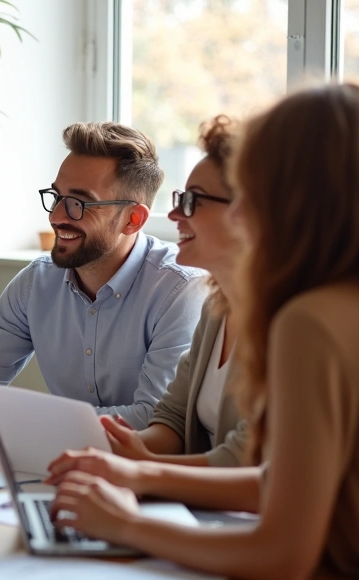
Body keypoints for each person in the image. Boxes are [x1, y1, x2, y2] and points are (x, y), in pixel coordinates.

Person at [48, 81, 359, 580]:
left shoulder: (313, 322)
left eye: (255, 188)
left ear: (296, 200)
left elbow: (282, 555)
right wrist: (134, 475)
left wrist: (126, 523)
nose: (244, 208)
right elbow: (279, 481)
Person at [0, 122, 207, 443]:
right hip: (60, 466)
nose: (56, 216)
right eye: (57, 196)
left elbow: (154, 419)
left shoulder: (178, 289)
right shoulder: (39, 279)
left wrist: (34, 417)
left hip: (146, 480)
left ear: (133, 219)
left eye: (78, 203)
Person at [98, 115, 250, 467]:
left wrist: (139, 472)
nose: (175, 215)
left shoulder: (291, 323)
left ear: (246, 211)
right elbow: (172, 420)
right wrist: (119, 450)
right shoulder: (216, 308)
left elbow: (246, 461)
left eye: (193, 201)